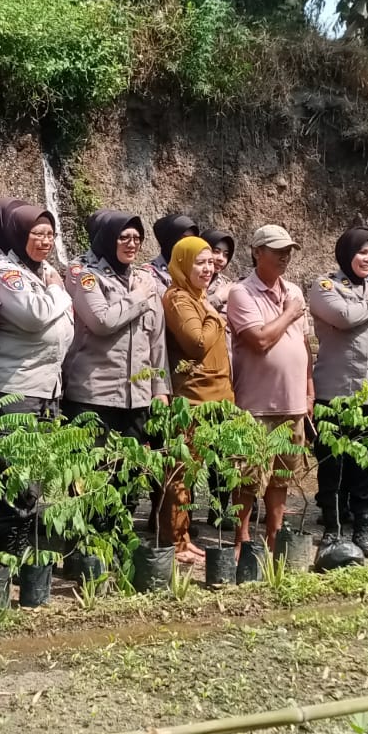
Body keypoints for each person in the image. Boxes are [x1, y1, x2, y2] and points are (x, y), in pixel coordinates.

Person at [306, 227, 368, 559]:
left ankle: (363, 530)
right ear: (345, 254)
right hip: (335, 392)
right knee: (332, 465)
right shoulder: (325, 287)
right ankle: (332, 530)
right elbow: (344, 317)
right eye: (362, 252)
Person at [0, 204, 74, 553]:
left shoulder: (44, 270)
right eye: (37, 234)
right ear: (20, 236)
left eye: (50, 234)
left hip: (47, 385)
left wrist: (52, 291)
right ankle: (9, 545)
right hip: (16, 386)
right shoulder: (7, 273)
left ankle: (24, 536)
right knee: (15, 470)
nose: (45, 241)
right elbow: (34, 315)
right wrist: (57, 292)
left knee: (35, 468)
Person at [225, 224, 312, 556]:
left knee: (281, 477)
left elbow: (304, 347)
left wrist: (308, 391)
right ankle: (241, 539)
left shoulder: (293, 291)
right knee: (248, 476)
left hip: (292, 404)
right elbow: (259, 340)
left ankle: (275, 536)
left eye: (288, 251)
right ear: (257, 252)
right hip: (256, 403)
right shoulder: (242, 293)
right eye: (277, 251)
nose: (284, 257)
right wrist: (290, 313)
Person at [62, 210, 169, 435]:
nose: (131, 244)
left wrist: (160, 388)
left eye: (137, 239)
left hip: (138, 399)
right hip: (96, 395)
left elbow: (157, 340)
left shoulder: (144, 280)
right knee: (94, 467)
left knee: (136, 468)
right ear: (109, 239)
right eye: (124, 238)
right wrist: (138, 297)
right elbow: (102, 322)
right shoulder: (89, 278)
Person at [160, 235, 232, 565]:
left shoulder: (198, 297)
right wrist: (217, 318)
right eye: (199, 263)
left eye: (210, 262)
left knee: (192, 476)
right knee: (181, 474)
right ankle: (175, 542)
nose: (207, 268)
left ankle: (184, 537)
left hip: (214, 398)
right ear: (182, 265)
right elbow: (197, 343)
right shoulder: (178, 298)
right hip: (193, 400)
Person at [148, 213, 201, 291]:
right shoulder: (150, 273)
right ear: (169, 240)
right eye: (183, 239)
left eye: (191, 240)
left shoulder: (193, 272)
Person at [202, 227, 238, 315]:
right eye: (216, 251)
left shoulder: (226, 285)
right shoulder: (187, 280)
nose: (221, 259)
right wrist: (218, 297)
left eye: (226, 254)